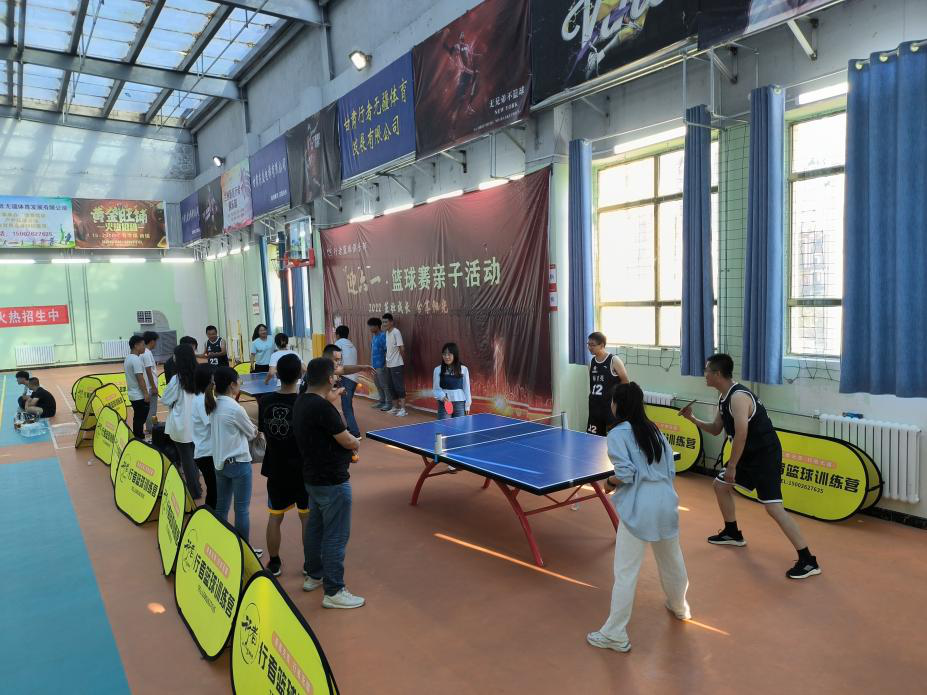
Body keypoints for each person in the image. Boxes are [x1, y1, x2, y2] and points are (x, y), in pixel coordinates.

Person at [679, 353, 821, 579]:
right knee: (720, 486)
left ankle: (808, 560)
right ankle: (732, 533)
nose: (704, 374)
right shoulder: (723, 397)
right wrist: (692, 419)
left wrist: (732, 466)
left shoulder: (738, 397)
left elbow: (742, 434)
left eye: (707, 371)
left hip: (764, 455)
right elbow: (716, 429)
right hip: (747, 454)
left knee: (773, 508)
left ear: (717, 374)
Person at [587, 382, 690, 653]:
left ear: (618, 405)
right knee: (672, 559)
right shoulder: (654, 429)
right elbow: (670, 469)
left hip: (640, 507)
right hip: (666, 501)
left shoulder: (617, 434)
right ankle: (680, 606)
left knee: (625, 572)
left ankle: (614, 634)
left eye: (613, 401)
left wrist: (610, 482)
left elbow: (625, 473)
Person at [294, 357, 364, 609]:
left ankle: (314, 575)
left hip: (313, 478)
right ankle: (334, 590)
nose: (336, 376)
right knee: (336, 535)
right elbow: (347, 439)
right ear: (328, 379)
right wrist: (355, 443)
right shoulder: (323, 409)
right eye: (334, 373)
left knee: (315, 528)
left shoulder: (302, 401)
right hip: (332, 481)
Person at [258, 354, 310, 576]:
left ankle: (274, 563)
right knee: (307, 517)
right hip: (303, 470)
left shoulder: (265, 401)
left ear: (277, 374)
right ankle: (310, 565)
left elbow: (263, 431)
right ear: (300, 374)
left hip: (276, 467)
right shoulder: (305, 402)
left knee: (275, 516)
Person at [206, 366, 262, 556]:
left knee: (222, 507)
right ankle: (244, 551)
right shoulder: (235, 408)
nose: (240, 384)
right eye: (239, 380)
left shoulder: (214, 405)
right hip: (238, 463)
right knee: (241, 510)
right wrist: (255, 429)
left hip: (220, 463)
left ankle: (220, 546)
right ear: (232, 384)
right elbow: (251, 433)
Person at [162, 344, 202, 500]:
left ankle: (194, 491)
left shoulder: (177, 379)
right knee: (195, 456)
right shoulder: (200, 374)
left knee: (186, 459)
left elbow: (166, 399)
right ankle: (197, 486)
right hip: (198, 422)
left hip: (181, 424)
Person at [586, 331, 629, 436]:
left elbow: (626, 382)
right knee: (593, 439)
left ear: (601, 345)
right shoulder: (592, 362)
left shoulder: (614, 360)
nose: (589, 347)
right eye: (588, 344)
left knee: (613, 437)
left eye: (592, 345)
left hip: (610, 406)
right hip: (595, 406)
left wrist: (617, 400)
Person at [191, 363, 217, 509]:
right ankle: (208, 516)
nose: (215, 380)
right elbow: (212, 423)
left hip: (207, 451)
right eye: (213, 377)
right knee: (214, 491)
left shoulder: (203, 397)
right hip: (206, 453)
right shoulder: (201, 400)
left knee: (214, 489)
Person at [334, 326, 362, 437]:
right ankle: (350, 427)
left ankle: (355, 433)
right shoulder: (352, 345)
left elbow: (336, 361)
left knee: (346, 406)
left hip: (346, 378)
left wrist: (335, 375)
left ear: (337, 334)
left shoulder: (338, 344)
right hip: (354, 378)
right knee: (348, 404)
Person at [433, 342, 471, 418]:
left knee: (460, 425)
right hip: (444, 403)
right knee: (443, 425)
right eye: (444, 354)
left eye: (449, 354)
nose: (446, 357)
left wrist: (467, 406)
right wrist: (443, 397)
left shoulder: (464, 369)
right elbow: (436, 389)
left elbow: (466, 388)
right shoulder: (437, 370)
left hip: (460, 404)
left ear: (455, 355)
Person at [124, 335, 150, 439]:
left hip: (133, 394)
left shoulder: (128, 358)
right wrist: (146, 394)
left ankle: (138, 437)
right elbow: (140, 378)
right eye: (143, 345)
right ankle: (139, 438)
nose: (144, 347)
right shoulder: (135, 360)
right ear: (136, 345)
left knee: (138, 418)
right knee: (140, 419)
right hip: (139, 395)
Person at [382, 313, 407, 417]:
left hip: (397, 364)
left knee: (399, 387)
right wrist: (387, 362)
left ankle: (403, 409)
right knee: (391, 386)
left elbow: (402, 348)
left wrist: (400, 361)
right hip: (389, 365)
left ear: (391, 322)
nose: (384, 324)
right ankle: (395, 407)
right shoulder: (386, 333)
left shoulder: (396, 332)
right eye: (383, 322)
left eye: (386, 322)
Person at [367, 317, 391, 411]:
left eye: (371, 326)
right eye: (369, 326)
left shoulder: (383, 336)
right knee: (378, 384)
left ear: (377, 326)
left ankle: (389, 403)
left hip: (381, 365)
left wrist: (385, 364)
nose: (370, 328)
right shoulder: (374, 337)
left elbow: (387, 351)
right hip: (374, 366)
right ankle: (382, 401)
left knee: (384, 385)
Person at [141, 331, 160, 436]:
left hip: (147, 386)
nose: (156, 344)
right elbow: (148, 370)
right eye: (155, 341)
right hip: (150, 387)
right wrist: (153, 387)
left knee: (149, 409)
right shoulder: (147, 353)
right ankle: (151, 428)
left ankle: (149, 428)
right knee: (152, 409)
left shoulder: (143, 353)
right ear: (152, 341)